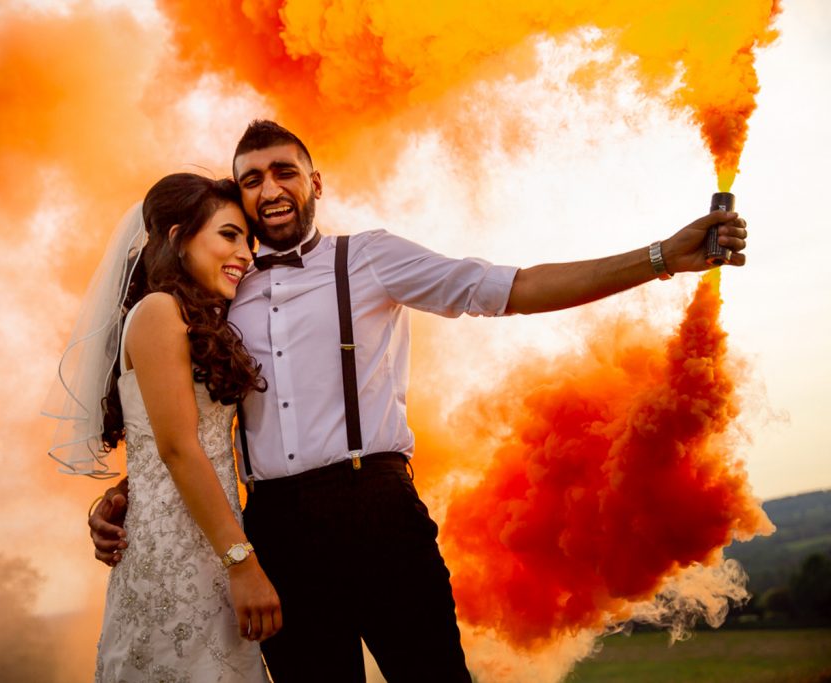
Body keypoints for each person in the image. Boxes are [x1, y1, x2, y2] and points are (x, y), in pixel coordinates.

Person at [89, 121, 748, 682]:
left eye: (283, 171)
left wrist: (660, 256)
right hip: (276, 532)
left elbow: (511, 287)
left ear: (314, 184)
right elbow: (187, 413)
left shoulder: (371, 258)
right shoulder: (224, 288)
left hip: (376, 511)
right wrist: (132, 491)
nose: (268, 188)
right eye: (252, 179)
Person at [44, 173, 281, 682]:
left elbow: (160, 447)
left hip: (209, 539)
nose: (245, 252)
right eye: (229, 234)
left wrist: (119, 493)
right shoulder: (158, 311)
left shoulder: (199, 318)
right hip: (186, 552)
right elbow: (177, 448)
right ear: (177, 238)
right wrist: (242, 564)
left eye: (248, 240)